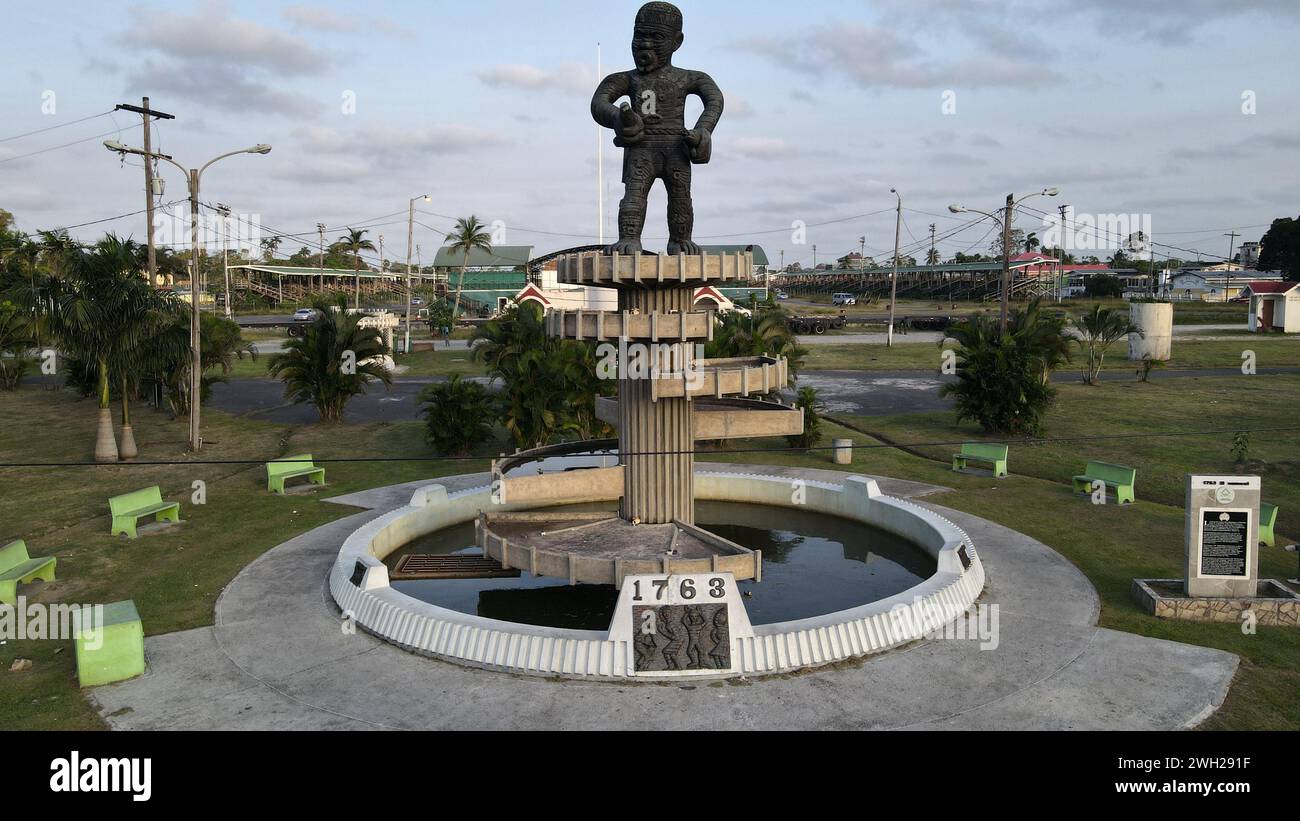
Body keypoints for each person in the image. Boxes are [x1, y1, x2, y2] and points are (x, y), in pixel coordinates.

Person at [590, 2, 723, 256]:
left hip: (677, 147)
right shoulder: (627, 79)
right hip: (641, 148)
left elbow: (714, 98)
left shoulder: (689, 77)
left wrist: (703, 130)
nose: (645, 44)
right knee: (634, 194)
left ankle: (680, 239)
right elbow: (599, 102)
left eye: (656, 37)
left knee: (680, 196)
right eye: (640, 36)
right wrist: (619, 118)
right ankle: (629, 238)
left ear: (676, 41)